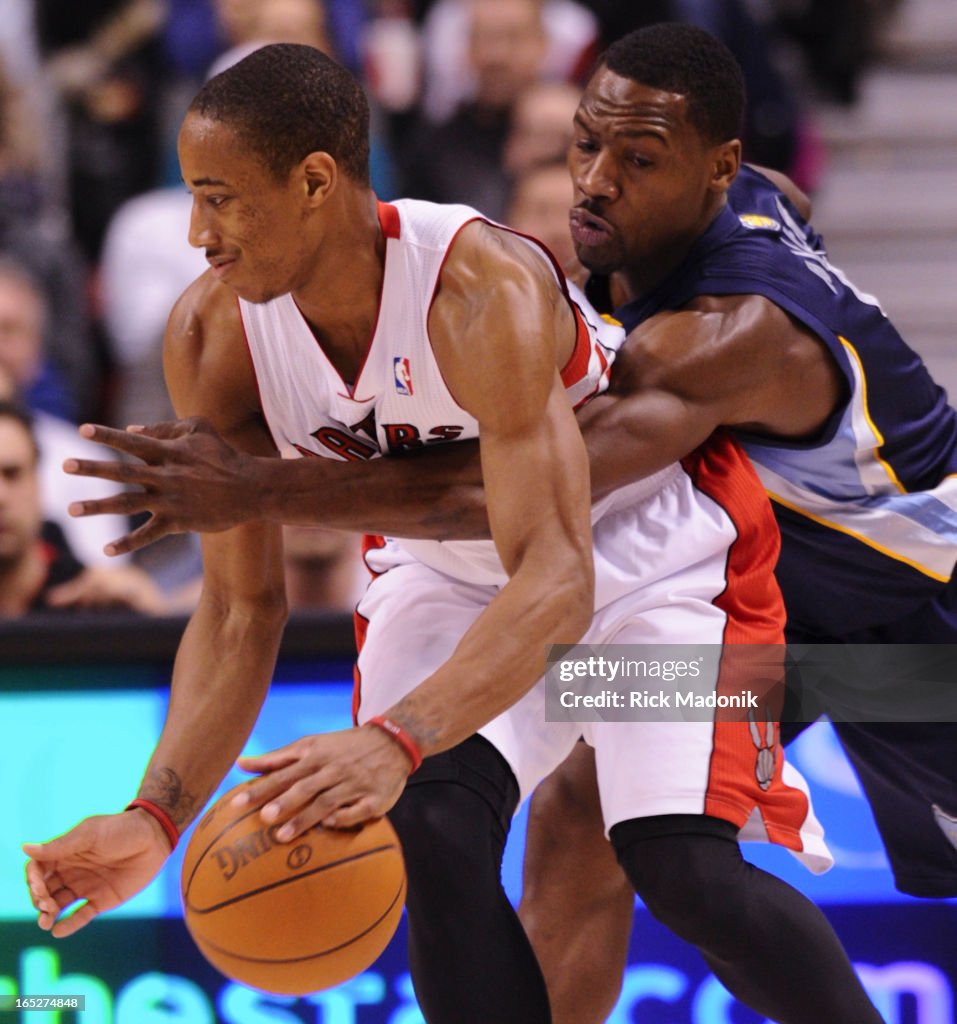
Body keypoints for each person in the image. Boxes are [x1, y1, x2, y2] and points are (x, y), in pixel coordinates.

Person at [27, 39, 887, 1024]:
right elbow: (235, 611)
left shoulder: (480, 290)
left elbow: (558, 580)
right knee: (430, 825)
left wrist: (396, 735)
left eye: (219, 197)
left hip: (646, 567)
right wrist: (155, 814)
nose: (197, 233)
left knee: (678, 860)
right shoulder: (212, 336)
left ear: (314, 182)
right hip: (448, 578)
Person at [0, 400, 165, 615]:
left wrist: (151, 620)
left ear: (38, 483)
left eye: (12, 474)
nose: (1, 497)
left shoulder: (102, 607)